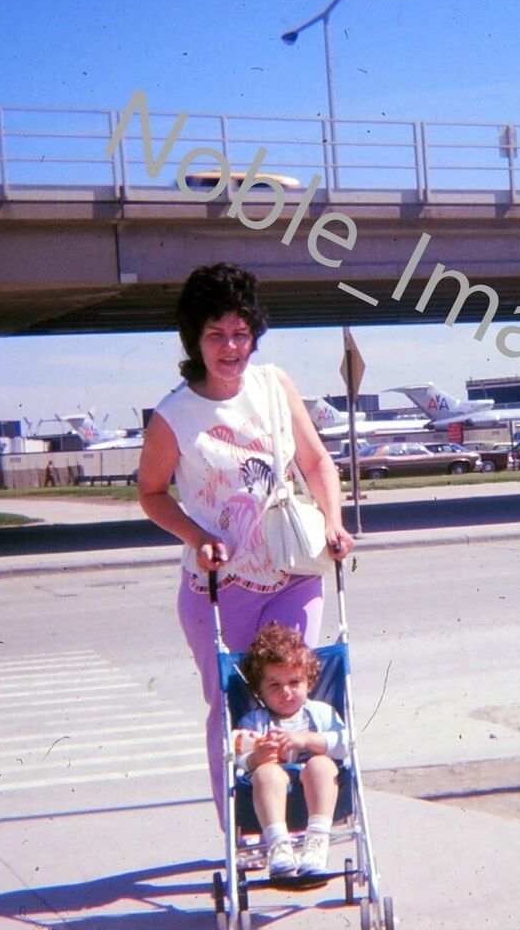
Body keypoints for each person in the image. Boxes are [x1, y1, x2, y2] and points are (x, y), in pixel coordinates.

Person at [137, 263, 353, 820]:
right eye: (215, 335)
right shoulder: (173, 415)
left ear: (254, 333)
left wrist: (332, 519)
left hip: (292, 573)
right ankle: (244, 835)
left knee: (292, 699)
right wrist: (196, 534)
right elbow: (152, 493)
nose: (231, 347)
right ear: (195, 341)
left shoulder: (274, 384)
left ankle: (299, 823)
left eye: (240, 332)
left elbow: (316, 461)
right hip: (218, 587)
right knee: (235, 711)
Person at [234, 622, 348, 878]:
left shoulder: (320, 713)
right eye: (274, 685)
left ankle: (317, 842)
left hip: (318, 786)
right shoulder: (255, 721)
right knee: (266, 773)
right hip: (271, 789)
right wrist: (256, 757)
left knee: (322, 764)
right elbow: (239, 758)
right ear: (259, 689)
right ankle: (278, 846)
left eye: (294, 682)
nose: (286, 692)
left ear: (309, 681)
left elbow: (344, 744)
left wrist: (306, 740)